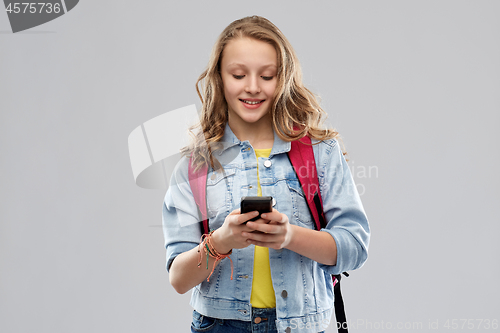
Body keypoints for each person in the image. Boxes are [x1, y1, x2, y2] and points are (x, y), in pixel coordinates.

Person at [162, 16, 370, 333]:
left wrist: (290, 236)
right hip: (220, 326)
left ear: (282, 78)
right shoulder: (195, 166)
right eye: (238, 74)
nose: (253, 87)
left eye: (267, 75)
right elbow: (178, 278)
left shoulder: (320, 153)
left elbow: (354, 246)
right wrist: (222, 241)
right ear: (219, 77)